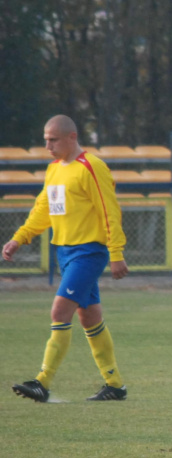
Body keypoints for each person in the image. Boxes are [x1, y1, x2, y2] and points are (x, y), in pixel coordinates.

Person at [2, 114, 129, 403]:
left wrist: (116, 253)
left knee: (60, 312)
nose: (47, 145)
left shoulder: (91, 167)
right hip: (65, 252)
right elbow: (43, 209)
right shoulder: (54, 169)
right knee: (89, 317)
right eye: (45, 139)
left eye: (53, 139)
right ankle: (115, 385)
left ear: (72, 137)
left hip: (89, 252)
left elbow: (110, 212)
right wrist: (19, 237)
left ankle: (42, 382)